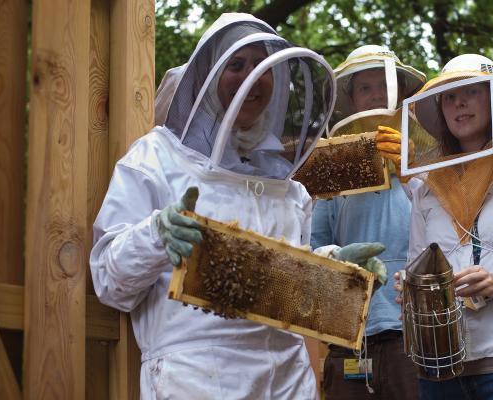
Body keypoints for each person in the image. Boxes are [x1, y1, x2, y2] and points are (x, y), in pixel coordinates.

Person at [90, 13, 385, 399]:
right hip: (195, 378)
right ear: (209, 77)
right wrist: (156, 235)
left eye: (262, 66)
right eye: (237, 64)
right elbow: (110, 284)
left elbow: (285, 278)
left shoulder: (289, 188)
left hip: (289, 379)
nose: (252, 77)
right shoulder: (157, 157)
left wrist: (337, 271)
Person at [395, 53, 493, 400]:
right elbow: (417, 262)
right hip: (439, 368)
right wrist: (411, 287)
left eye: (471, 91)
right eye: (449, 97)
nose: (459, 103)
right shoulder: (428, 187)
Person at [310, 45, 425, 400]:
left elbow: (447, 228)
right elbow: (315, 248)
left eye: (384, 85)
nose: (376, 94)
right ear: (351, 98)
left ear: (401, 92)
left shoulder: (426, 156)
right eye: (365, 87)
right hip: (350, 335)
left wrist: (413, 172)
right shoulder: (333, 167)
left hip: (412, 331)